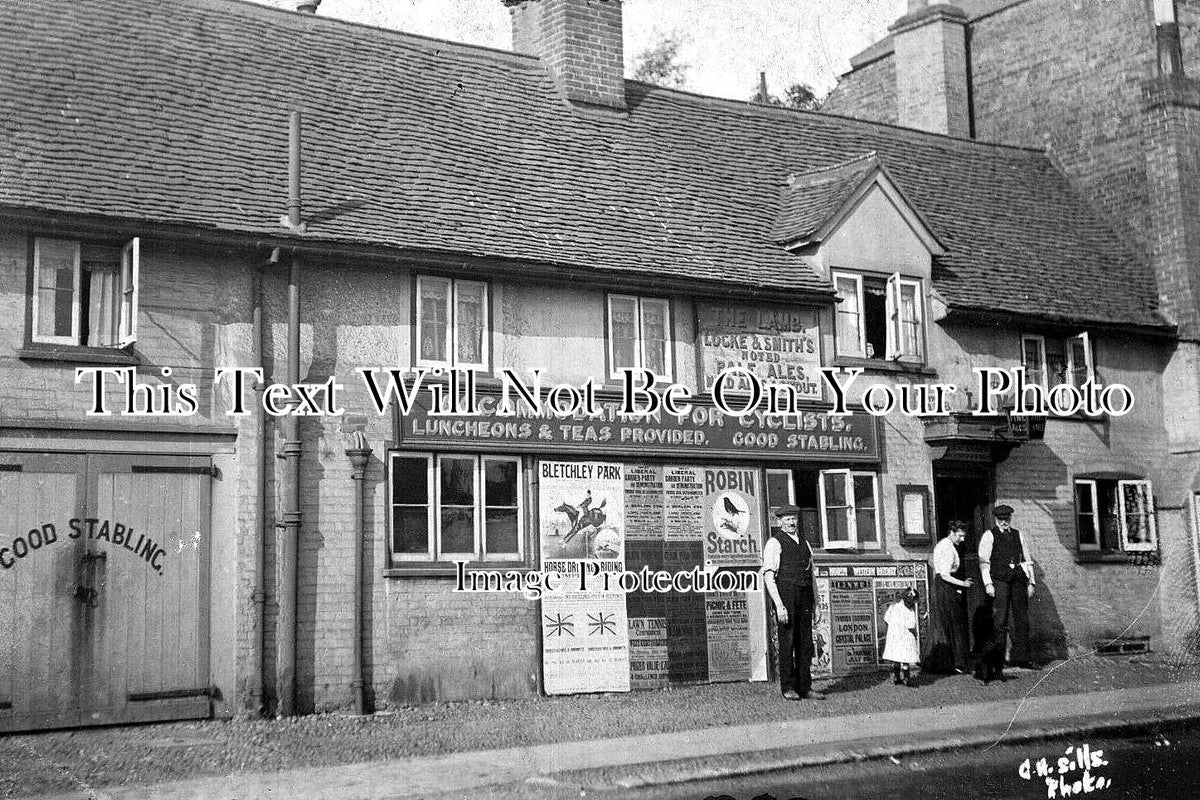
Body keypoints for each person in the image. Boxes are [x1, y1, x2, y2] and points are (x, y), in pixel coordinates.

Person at [762, 504, 825, 701]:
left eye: (794, 518)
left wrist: (816, 604)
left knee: (805, 644)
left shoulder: (805, 544)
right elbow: (769, 577)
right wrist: (779, 605)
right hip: (786, 596)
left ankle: (805, 687)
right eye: (787, 519)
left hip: (805, 597)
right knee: (788, 642)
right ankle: (788, 687)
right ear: (779, 521)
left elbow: (811, 576)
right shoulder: (774, 543)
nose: (791, 522)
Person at [978, 503, 1038, 672]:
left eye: (1006, 519)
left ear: (1010, 518)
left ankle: (1022, 658)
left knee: (1021, 619)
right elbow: (984, 562)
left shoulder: (1018, 535)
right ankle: (999, 660)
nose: (1004, 522)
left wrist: (1031, 582)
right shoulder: (989, 535)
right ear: (996, 519)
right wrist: (988, 583)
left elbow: (1027, 560)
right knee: (1000, 619)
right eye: (1000, 519)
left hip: (1018, 581)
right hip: (1000, 581)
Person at [927, 520, 973, 673]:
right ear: (952, 533)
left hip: (943, 586)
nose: (962, 539)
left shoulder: (945, 545)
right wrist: (963, 584)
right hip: (946, 587)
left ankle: (949, 662)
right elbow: (945, 575)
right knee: (951, 622)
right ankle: (952, 663)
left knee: (946, 623)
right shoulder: (946, 547)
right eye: (960, 535)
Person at [882, 587, 921, 686]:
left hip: (894, 635)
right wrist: (915, 633)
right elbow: (910, 625)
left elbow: (886, 618)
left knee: (896, 657)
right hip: (905, 636)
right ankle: (906, 678)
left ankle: (896, 677)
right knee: (905, 658)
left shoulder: (894, 606)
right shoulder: (909, 611)